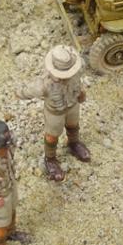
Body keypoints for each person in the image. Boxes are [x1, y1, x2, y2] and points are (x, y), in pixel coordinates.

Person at [17, 45, 90, 182]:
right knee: (52, 136)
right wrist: (19, 93)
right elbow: (27, 92)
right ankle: (50, 158)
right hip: (55, 112)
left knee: (73, 125)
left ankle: (74, 143)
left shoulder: (77, 71)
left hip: (73, 105)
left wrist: (81, 94)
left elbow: (79, 85)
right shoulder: (44, 84)